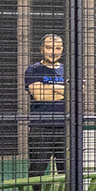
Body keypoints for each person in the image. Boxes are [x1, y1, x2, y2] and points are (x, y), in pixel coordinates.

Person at [23, 33, 66, 176]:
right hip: (41, 127)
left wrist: (48, 88)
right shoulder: (33, 70)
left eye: (57, 48)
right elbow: (39, 95)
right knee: (37, 170)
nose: (53, 52)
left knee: (67, 170)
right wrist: (64, 90)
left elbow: (77, 94)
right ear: (42, 49)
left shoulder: (69, 70)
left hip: (66, 127)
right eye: (49, 48)